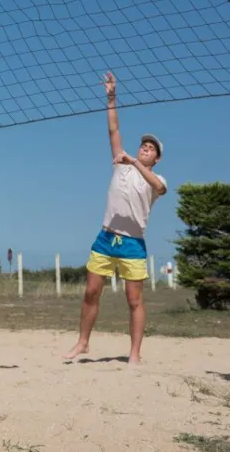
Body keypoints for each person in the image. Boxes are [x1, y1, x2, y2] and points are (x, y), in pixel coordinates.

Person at [63, 71, 167, 365]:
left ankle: (134, 354)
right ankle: (82, 343)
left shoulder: (156, 178)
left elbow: (158, 188)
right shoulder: (121, 165)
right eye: (143, 145)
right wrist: (111, 97)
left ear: (155, 158)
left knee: (134, 300)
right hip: (106, 236)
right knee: (90, 292)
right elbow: (113, 130)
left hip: (133, 243)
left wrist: (133, 161)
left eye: (150, 148)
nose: (145, 148)